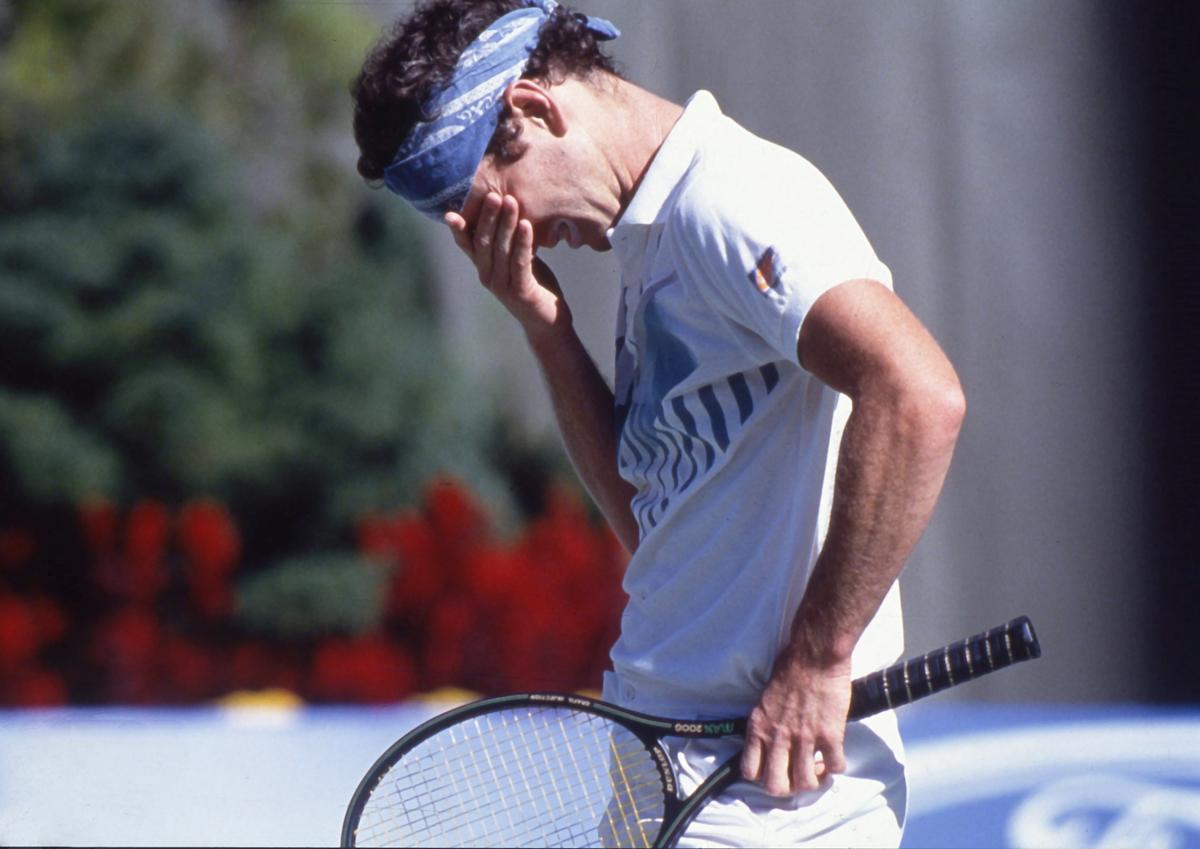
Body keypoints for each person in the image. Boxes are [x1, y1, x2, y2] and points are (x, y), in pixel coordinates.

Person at [351, 1, 965, 845]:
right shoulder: (657, 238)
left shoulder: (730, 199)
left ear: (532, 111)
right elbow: (656, 533)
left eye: (493, 205)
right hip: (662, 762)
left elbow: (917, 394)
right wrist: (546, 329)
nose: (520, 237)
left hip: (771, 796)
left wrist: (820, 658)